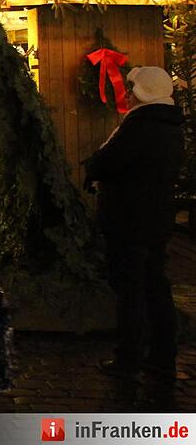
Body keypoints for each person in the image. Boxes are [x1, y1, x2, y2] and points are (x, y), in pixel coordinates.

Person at [85, 66, 183, 382]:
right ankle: (163, 355)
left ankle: (128, 358)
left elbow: (106, 161)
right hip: (156, 218)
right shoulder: (170, 127)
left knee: (130, 289)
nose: (127, 93)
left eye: (131, 88)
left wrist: (95, 166)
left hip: (128, 219)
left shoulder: (138, 126)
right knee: (155, 284)